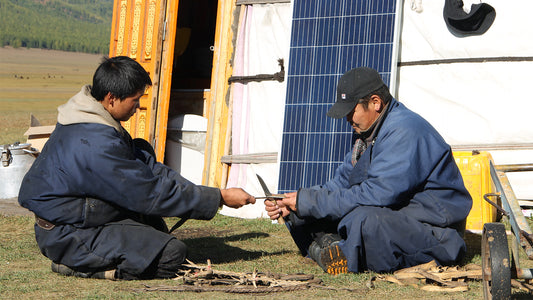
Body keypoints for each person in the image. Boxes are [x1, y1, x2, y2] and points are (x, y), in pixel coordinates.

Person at [18, 56, 255, 280]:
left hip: (83, 218)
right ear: (112, 98)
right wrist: (219, 198)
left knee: (142, 152)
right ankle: (80, 267)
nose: (138, 106)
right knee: (171, 254)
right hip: (68, 234)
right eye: (135, 99)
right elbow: (148, 193)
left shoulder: (95, 121)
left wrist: (213, 195)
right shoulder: (95, 142)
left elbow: (150, 170)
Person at [265, 67, 472, 275]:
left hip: (435, 232)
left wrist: (309, 203)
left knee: (363, 219)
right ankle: (333, 248)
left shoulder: (404, 131)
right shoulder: (368, 134)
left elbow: (376, 195)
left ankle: (332, 250)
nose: (347, 119)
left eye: (351, 110)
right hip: (398, 216)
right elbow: (341, 183)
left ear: (375, 102)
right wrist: (296, 202)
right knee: (304, 212)